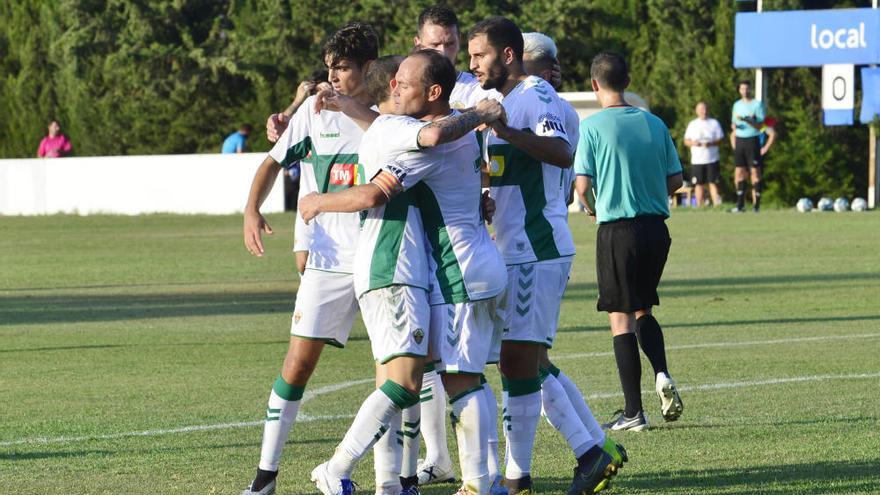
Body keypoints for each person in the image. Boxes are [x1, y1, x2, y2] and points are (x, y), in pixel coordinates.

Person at [298, 50, 506, 495]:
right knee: (430, 379)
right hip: (445, 267)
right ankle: (402, 480)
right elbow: (398, 134)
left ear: (431, 92)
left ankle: (468, 483)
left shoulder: (423, 133)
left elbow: (390, 174)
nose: (395, 90)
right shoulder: (429, 130)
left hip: (453, 271)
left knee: (446, 381)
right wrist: (480, 112)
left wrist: (317, 201)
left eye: (404, 84)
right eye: (394, 83)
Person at [469, 17, 616, 495]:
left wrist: (507, 132)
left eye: (478, 57)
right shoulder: (504, 99)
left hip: (537, 248)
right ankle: (587, 452)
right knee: (521, 362)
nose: (472, 67)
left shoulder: (535, 95)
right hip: (512, 247)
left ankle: (521, 477)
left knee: (518, 362)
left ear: (509, 56)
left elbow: (559, 151)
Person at [240, 22, 380, 495]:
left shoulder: (392, 111)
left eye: (343, 69)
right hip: (327, 260)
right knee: (296, 366)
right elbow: (272, 162)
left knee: (398, 371)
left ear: (368, 68)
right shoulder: (314, 114)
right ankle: (265, 478)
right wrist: (251, 209)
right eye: (330, 68)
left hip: (383, 257)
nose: (334, 77)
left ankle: (395, 480)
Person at [521, 30, 627, 492]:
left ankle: (588, 452)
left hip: (534, 246)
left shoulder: (540, 107)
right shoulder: (562, 110)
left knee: (523, 362)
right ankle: (598, 444)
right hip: (545, 242)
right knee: (534, 358)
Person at [411, 5, 500, 489]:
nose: (444, 53)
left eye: (451, 45)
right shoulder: (417, 90)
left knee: (466, 371)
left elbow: (457, 140)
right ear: (418, 44)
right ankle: (444, 461)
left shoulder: (467, 93)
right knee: (432, 362)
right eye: (434, 45)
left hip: (463, 255)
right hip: (436, 253)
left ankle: (481, 477)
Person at [573, 52, 685, 434]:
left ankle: (634, 412)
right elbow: (676, 180)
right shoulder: (655, 124)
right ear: (627, 81)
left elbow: (582, 187)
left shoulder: (592, 127)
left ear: (594, 85)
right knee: (643, 307)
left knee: (619, 317)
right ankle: (662, 372)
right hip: (657, 230)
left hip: (618, 229)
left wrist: (591, 209)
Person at [730, 80, 766, 212]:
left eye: (747, 88)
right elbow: (733, 123)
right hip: (740, 140)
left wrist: (749, 120)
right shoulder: (737, 105)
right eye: (742, 89)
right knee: (739, 172)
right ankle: (740, 205)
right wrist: (735, 126)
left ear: (750, 90)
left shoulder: (757, 105)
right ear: (739, 90)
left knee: (755, 171)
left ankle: (757, 205)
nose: (745, 91)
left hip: (752, 139)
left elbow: (761, 125)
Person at [684, 101, 724, 207]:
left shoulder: (714, 123)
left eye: (705, 109)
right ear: (697, 111)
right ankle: (699, 206)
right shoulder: (693, 124)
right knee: (698, 184)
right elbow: (686, 141)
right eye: (701, 109)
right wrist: (694, 143)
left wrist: (710, 143)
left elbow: (721, 139)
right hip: (697, 159)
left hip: (712, 158)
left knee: (713, 182)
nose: (704, 111)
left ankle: (717, 205)